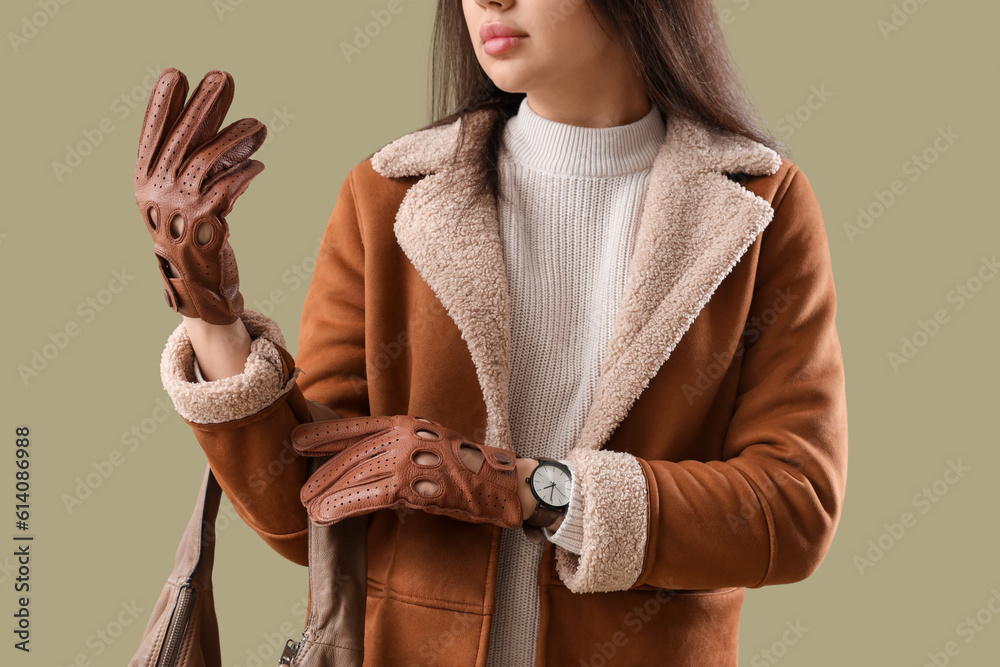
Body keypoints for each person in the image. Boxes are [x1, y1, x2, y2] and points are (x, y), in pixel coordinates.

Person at [134, 0, 848, 664]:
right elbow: (312, 507)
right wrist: (209, 313)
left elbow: (792, 506)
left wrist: (525, 488)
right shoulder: (388, 199)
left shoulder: (759, 208)